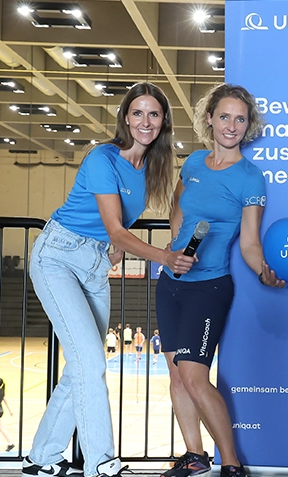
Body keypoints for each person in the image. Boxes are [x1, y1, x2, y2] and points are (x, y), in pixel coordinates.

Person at [26, 82, 195, 477]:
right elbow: (117, 230)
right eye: (138, 113)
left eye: (153, 114)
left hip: (95, 265)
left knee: (81, 367)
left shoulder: (150, 169)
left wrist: (112, 246)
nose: (145, 121)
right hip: (58, 257)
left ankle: (41, 458)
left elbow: (114, 231)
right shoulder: (103, 157)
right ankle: (102, 462)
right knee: (89, 361)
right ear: (125, 118)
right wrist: (164, 257)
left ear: (164, 121)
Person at [156, 83, 285, 477]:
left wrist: (263, 270)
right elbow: (179, 209)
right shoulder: (193, 163)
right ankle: (194, 456)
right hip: (170, 281)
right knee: (177, 374)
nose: (231, 125)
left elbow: (248, 241)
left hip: (210, 287)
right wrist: (175, 244)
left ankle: (231, 464)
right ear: (209, 118)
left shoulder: (250, 178)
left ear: (249, 126)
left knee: (194, 375)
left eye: (240, 119)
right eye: (224, 116)